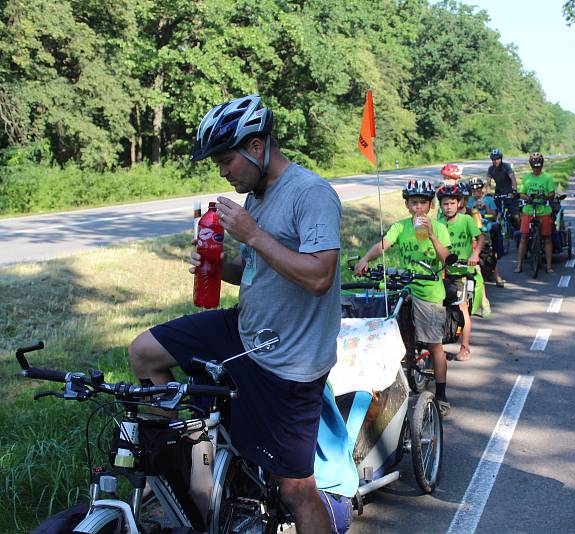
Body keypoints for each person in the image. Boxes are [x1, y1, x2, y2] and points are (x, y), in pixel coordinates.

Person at [127, 95, 341, 533]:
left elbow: (319, 276)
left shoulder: (311, 193)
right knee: (144, 353)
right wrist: (219, 266)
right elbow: (261, 268)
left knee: (295, 489)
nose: (222, 172)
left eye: (226, 160)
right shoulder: (256, 196)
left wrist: (252, 233)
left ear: (257, 147)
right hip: (245, 330)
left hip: (289, 357)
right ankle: (198, 467)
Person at [354, 180, 454, 415]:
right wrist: (365, 259)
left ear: (430, 205)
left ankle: (441, 394)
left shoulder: (438, 227)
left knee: (434, 344)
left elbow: (445, 258)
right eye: (413, 203)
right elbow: (383, 245)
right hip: (405, 288)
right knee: (386, 331)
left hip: (429, 292)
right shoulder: (400, 227)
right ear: (407, 205)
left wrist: (431, 235)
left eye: (422, 203)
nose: (418, 207)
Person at [437, 184, 483, 361]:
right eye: (445, 204)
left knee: (462, 308)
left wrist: (475, 253)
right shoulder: (438, 224)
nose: (448, 207)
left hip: (462, 272)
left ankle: (465, 347)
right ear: (440, 206)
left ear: (459, 203)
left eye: (452, 203)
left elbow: (480, 238)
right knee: (439, 309)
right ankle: (436, 345)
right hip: (442, 273)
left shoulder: (466, 220)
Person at [515, 152, 556, 274]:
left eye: (538, 167)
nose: (536, 169)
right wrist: (527, 197)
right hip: (529, 210)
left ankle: (548, 266)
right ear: (531, 166)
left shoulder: (547, 178)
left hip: (543, 210)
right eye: (534, 167)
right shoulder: (527, 178)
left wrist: (544, 196)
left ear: (541, 166)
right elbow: (521, 193)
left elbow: (552, 194)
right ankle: (519, 265)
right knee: (524, 237)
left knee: (547, 238)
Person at [467, 176, 505, 288]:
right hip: (473, 228)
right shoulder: (470, 201)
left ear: (482, 189)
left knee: (491, 252)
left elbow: (494, 215)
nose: (476, 193)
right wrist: (473, 208)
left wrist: (485, 207)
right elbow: (466, 213)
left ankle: (498, 276)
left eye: (478, 190)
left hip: (485, 228)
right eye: (473, 191)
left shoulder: (488, 199)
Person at [486, 148, 519, 227]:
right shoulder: (491, 169)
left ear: (501, 158)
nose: (496, 161)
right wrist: (488, 193)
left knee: (516, 216)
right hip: (499, 193)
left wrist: (514, 190)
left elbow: (513, 178)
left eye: (497, 159)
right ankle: (497, 234)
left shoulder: (506, 166)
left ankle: (521, 232)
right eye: (493, 159)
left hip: (509, 193)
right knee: (496, 215)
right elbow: (488, 182)